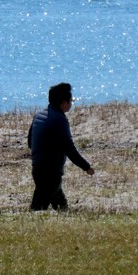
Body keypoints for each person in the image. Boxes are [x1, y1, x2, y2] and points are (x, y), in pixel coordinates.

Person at [27, 82, 94, 211]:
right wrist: (86, 167)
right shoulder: (59, 120)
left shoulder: (39, 115)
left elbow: (30, 141)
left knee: (61, 206)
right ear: (63, 103)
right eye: (70, 101)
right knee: (38, 209)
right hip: (50, 172)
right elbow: (69, 148)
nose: (71, 104)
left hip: (38, 168)